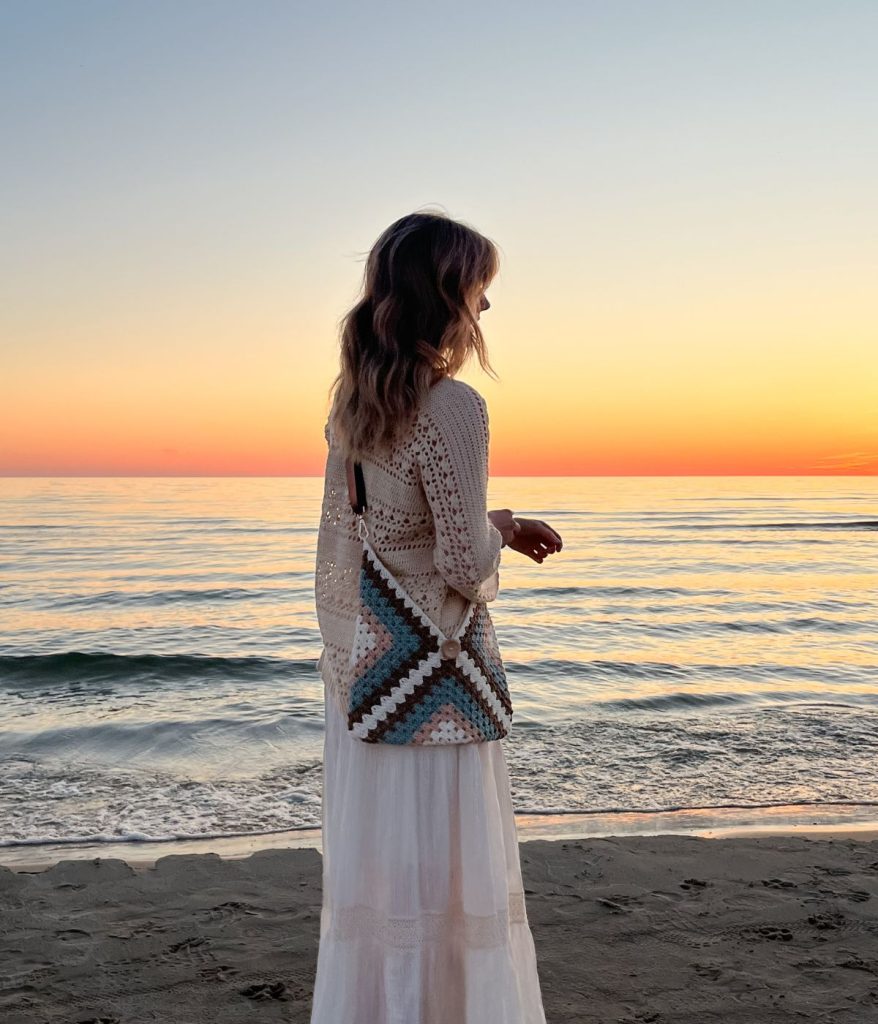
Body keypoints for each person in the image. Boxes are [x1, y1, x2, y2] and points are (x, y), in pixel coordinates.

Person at [310, 209, 563, 1023]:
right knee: (452, 881)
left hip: (365, 679)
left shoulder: (351, 410)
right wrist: (502, 528)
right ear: (446, 295)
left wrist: (348, 656)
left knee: (381, 881)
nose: (484, 311)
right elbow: (460, 565)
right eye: (479, 291)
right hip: (436, 686)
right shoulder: (452, 408)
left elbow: (347, 551)